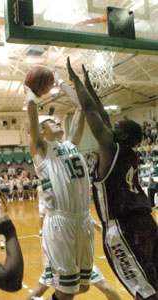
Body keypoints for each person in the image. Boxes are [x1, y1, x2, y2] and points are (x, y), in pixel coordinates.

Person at [67, 57, 158, 300]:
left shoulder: (110, 149)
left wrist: (76, 82)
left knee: (145, 291)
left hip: (124, 228)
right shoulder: (129, 153)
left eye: (118, 127)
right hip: (147, 224)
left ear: (124, 135)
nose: (111, 127)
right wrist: (90, 86)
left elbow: (91, 112)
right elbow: (102, 115)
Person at [24, 70, 94, 300]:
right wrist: (29, 90)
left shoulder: (71, 144)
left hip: (82, 220)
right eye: (50, 122)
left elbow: (81, 107)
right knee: (66, 291)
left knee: (82, 287)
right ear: (42, 133)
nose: (55, 121)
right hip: (60, 224)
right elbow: (33, 110)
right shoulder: (41, 151)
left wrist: (62, 81)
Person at [26, 218, 121, 300]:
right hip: (61, 260)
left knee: (104, 288)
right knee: (40, 290)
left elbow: (98, 226)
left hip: (81, 260)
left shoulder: (81, 213)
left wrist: (111, 235)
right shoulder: (56, 218)